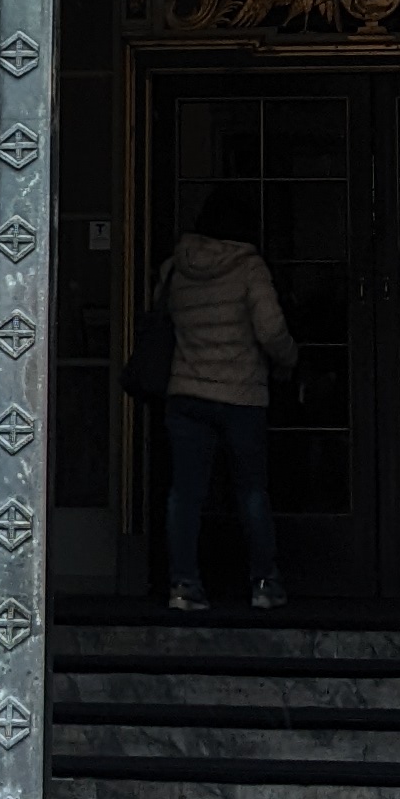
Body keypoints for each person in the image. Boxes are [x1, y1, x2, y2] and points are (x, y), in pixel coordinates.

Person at [156, 179, 297, 615]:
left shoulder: (176, 266)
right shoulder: (249, 267)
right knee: (251, 490)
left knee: (186, 493)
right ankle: (263, 584)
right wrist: (289, 361)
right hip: (242, 395)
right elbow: (270, 329)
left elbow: (160, 319)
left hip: (186, 391)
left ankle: (183, 585)